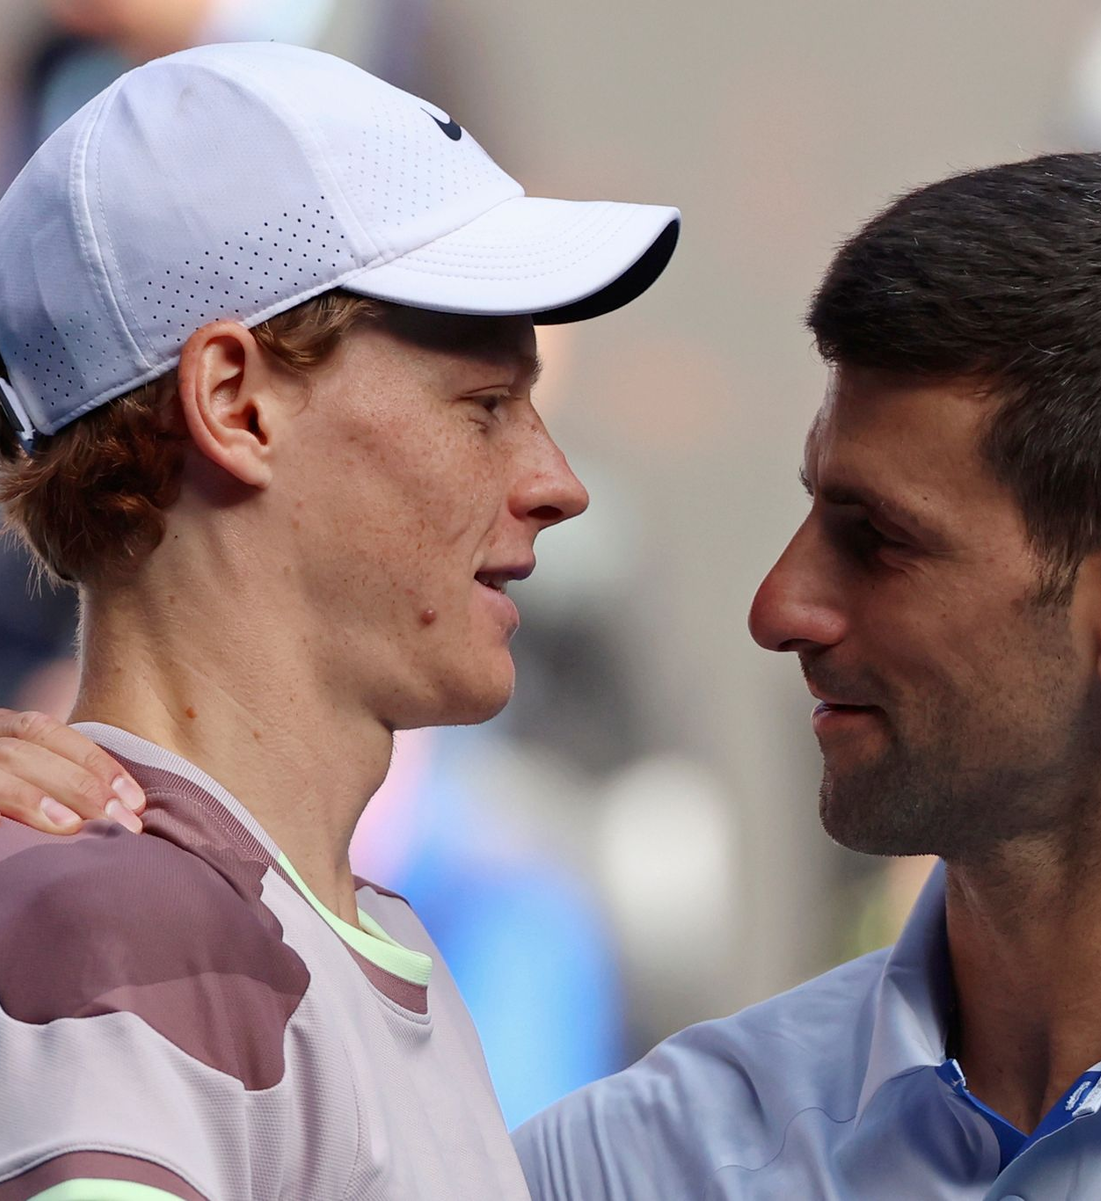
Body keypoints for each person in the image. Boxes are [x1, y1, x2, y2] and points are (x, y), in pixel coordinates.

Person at [10, 153, 1101, 1199]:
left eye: (878, 536)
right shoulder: (643, 1161)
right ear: (231, 405)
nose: (777, 606)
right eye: (484, 405)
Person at [0, 40, 677, 1201]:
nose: (556, 481)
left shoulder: (315, 927)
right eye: (485, 405)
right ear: (236, 403)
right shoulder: (125, 924)